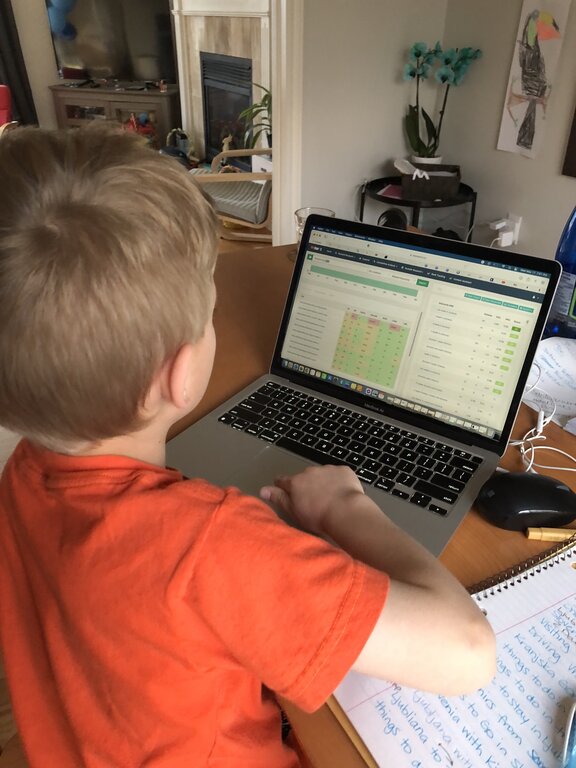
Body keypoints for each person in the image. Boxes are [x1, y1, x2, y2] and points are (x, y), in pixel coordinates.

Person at [0, 125, 496, 768]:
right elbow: (468, 652)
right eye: (210, 310)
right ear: (181, 376)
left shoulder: (24, 470)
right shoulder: (212, 549)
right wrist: (347, 507)